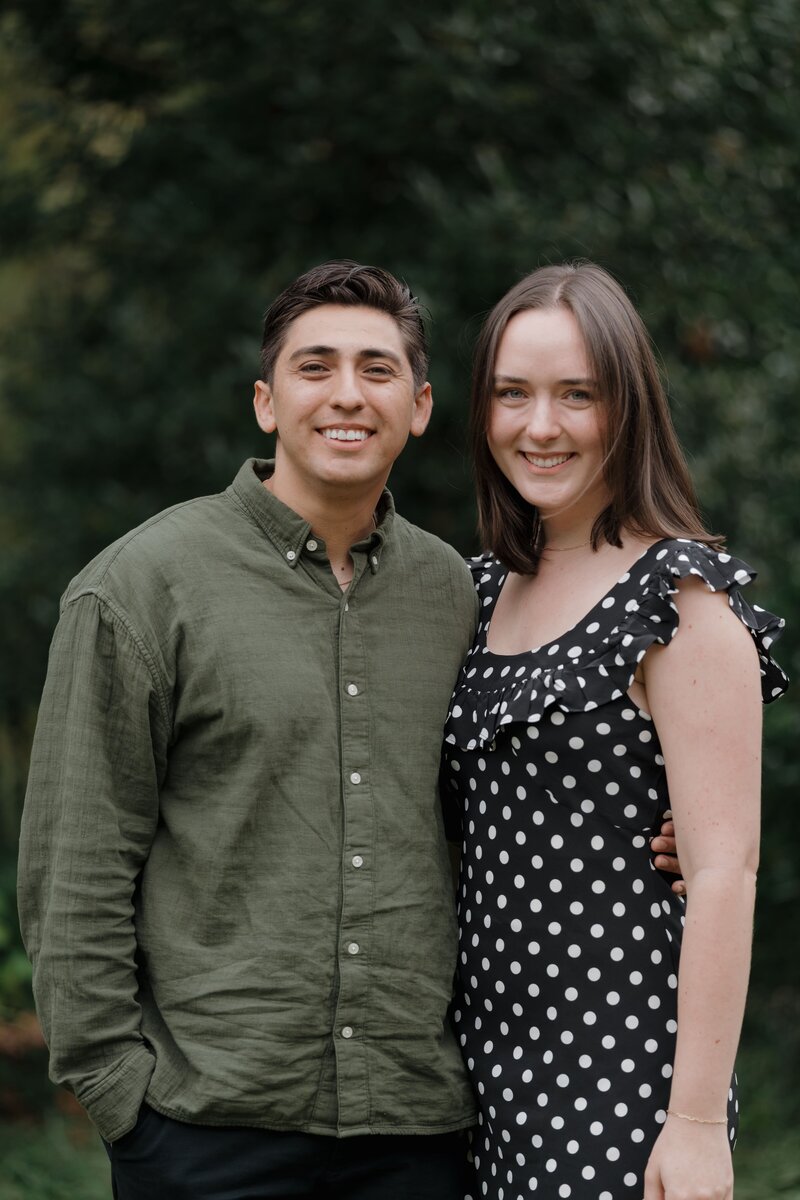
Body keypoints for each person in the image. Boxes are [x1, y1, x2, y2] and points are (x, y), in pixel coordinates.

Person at [17, 260, 680, 1200]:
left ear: (417, 407)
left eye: (376, 370)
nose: (346, 396)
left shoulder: (463, 594)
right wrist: (122, 1098)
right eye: (314, 366)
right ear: (265, 400)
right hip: (206, 1131)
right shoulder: (142, 588)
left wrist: (662, 836)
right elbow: (74, 871)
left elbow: (513, 791)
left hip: (418, 1130)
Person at [441, 262, 787, 1200]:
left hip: (616, 1076)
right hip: (472, 1073)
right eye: (512, 393)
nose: (539, 426)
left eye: (576, 395)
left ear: (626, 408)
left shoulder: (676, 599)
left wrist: (696, 1125)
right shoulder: (474, 592)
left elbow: (724, 872)